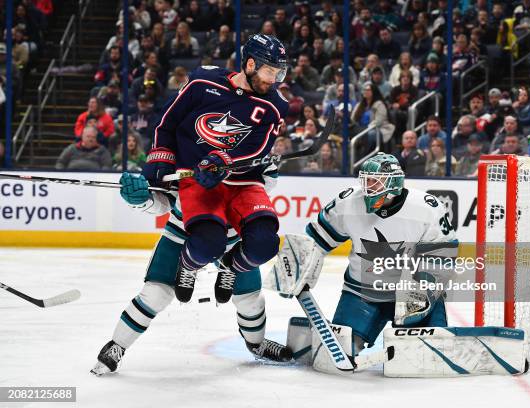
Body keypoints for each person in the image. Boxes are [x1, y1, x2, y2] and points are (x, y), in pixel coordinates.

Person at [91, 165, 292, 376]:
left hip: (232, 238)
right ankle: (117, 345)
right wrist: (143, 199)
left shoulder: (249, 139)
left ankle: (256, 342)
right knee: (156, 293)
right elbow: (164, 199)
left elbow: (265, 183)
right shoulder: (184, 141)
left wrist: (250, 166)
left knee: (250, 300)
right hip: (183, 231)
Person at [142, 34, 289, 305]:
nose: (275, 79)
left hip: (242, 182)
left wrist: (225, 159)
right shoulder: (203, 82)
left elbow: (259, 148)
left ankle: (230, 268)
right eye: (270, 71)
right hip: (200, 180)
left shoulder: (274, 105)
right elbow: (167, 121)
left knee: (265, 245)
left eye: (279, 72)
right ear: (250, 64)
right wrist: (161, 160)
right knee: (207, 244)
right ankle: (188, 266)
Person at [304, 153, 457, 359]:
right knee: (338, 353)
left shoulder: (426, 208)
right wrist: (300, 266)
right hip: (361, 292)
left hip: (412, 293)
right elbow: (318, 240)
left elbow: (442, 258)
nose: (368, 188)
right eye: (366, 180)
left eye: (375, 182)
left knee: (425, 358)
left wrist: (425, 291)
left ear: (394, 183)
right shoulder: (348, 202)